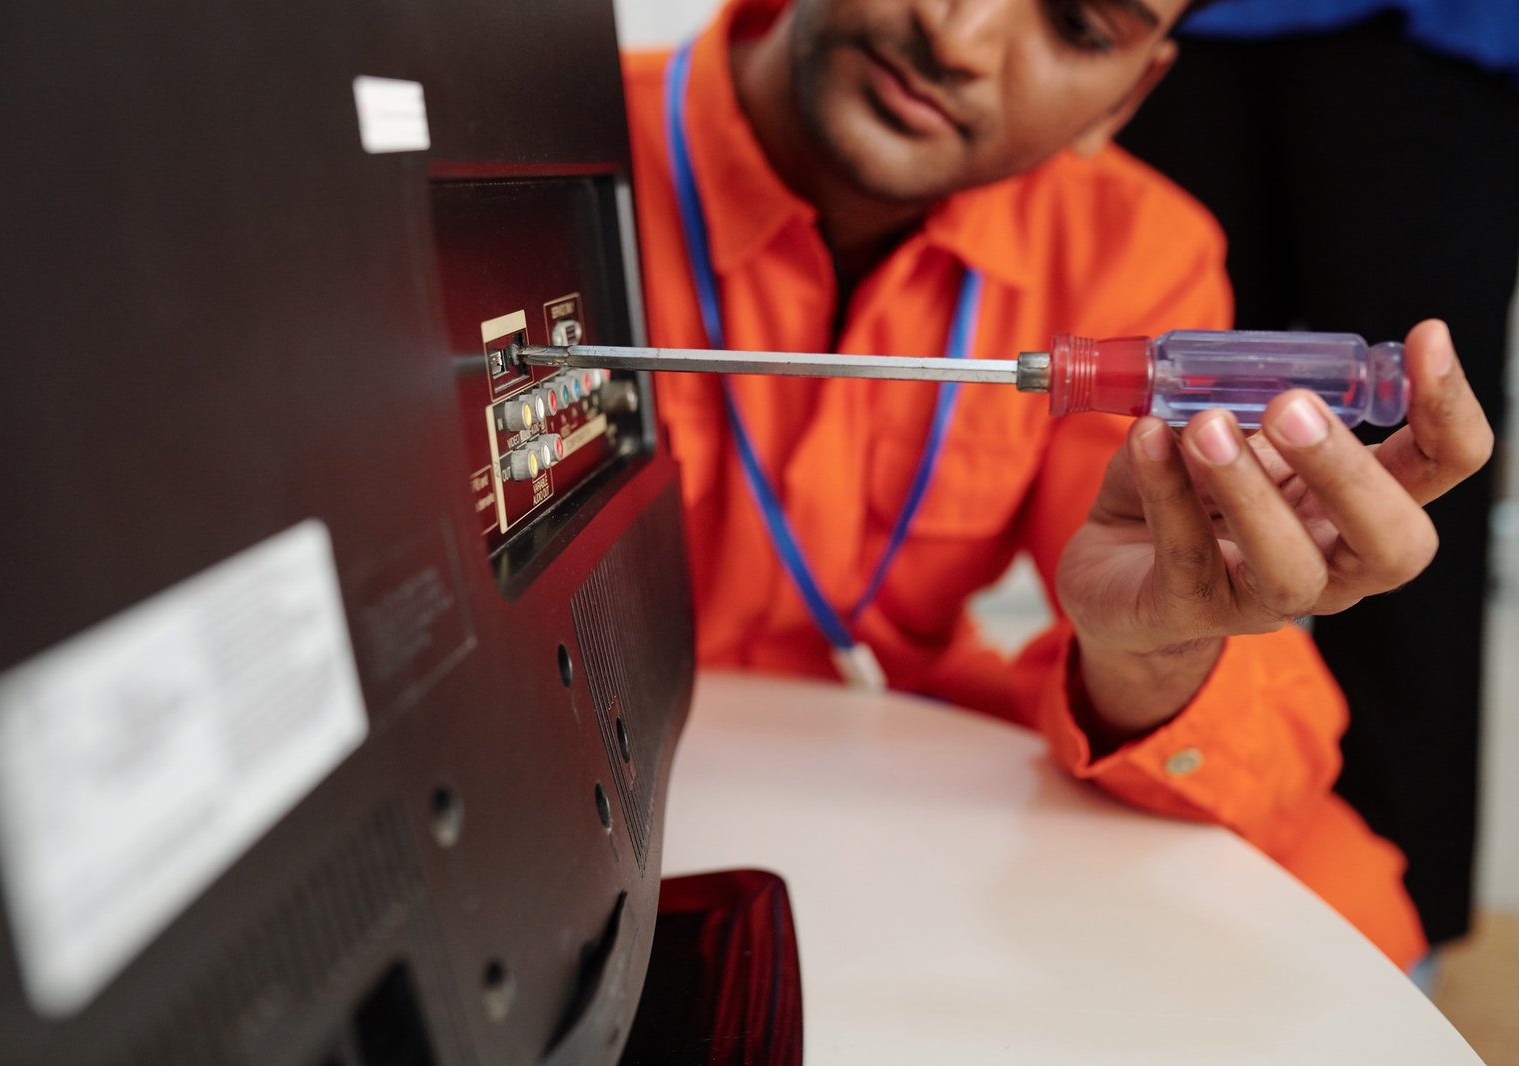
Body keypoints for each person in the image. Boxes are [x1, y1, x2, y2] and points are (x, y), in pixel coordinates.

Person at [620, 0, 1495, 969]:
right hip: (580, 771)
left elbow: (1186, 646)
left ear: (1125, 96)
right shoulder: (536, 141)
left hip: (894, 764)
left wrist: (1154, 648)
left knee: (1348, 900)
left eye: (1077, 25)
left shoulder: (1138, 249)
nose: (959, 40)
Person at [1117, 0, 1519, 956]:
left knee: (1404, 502)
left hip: (1430, 33)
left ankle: (1392, 937)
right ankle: (1153, 901)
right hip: (1191, 29)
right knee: (1166, 496)